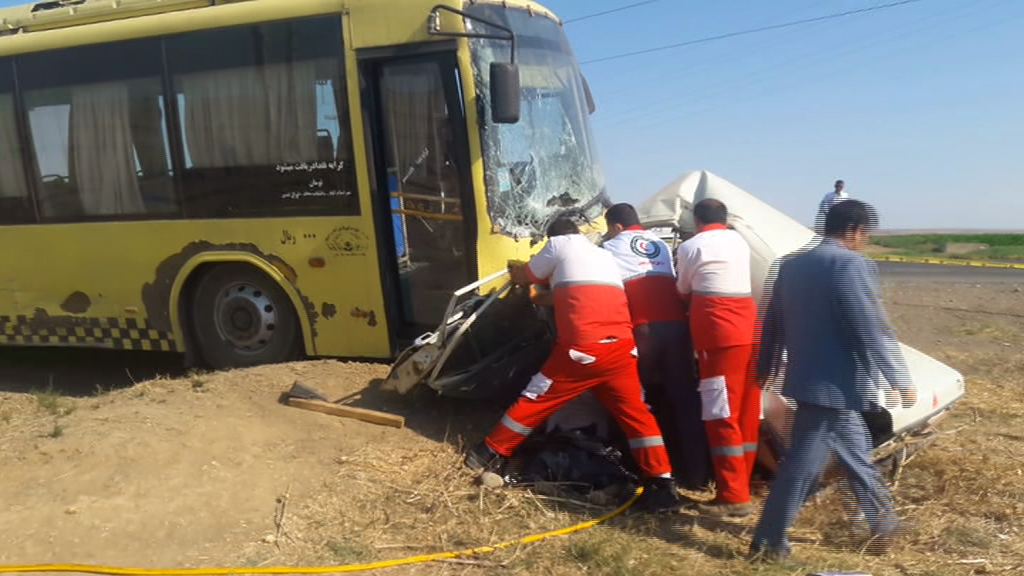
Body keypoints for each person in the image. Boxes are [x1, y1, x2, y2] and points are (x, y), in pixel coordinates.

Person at [464, 216, 682, 513]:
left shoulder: (558, 244)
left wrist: (519, 274)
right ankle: (663, 484)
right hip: (621, 349)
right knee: (637, 416)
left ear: (553, 236)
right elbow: (576, 292)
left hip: (582, 349)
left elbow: (525, 275)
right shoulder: (603, 254)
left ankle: (488, 451)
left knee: (536, 397)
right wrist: (541, 299)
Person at [749, 199, 917, 561]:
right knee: (802, 469)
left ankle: (884, 526)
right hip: (837, 387)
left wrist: (765, 366)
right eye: (865, 234)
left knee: (856, 454)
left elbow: (771, 320)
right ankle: (767, 544)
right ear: (856, 231)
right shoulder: (851, 265)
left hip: (808, 380)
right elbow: (869, 325)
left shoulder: (791, 265)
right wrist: (899, 377)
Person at [601, 202, 712, 490]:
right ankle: (696, 476)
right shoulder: (659, 244)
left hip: (643, 329)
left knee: (630, 400)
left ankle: (632, 471)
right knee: (686, 401)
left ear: (615, 227)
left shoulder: (609, 248)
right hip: (678, 326)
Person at [675, 198, 760, 517]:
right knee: (747, 411)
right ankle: (743, 484)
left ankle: (733, 496)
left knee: (720, 411)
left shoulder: (692, 246)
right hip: (751, 328)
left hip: (720, 333)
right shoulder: (739, 240)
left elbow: (683, 289)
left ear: (696, 220)